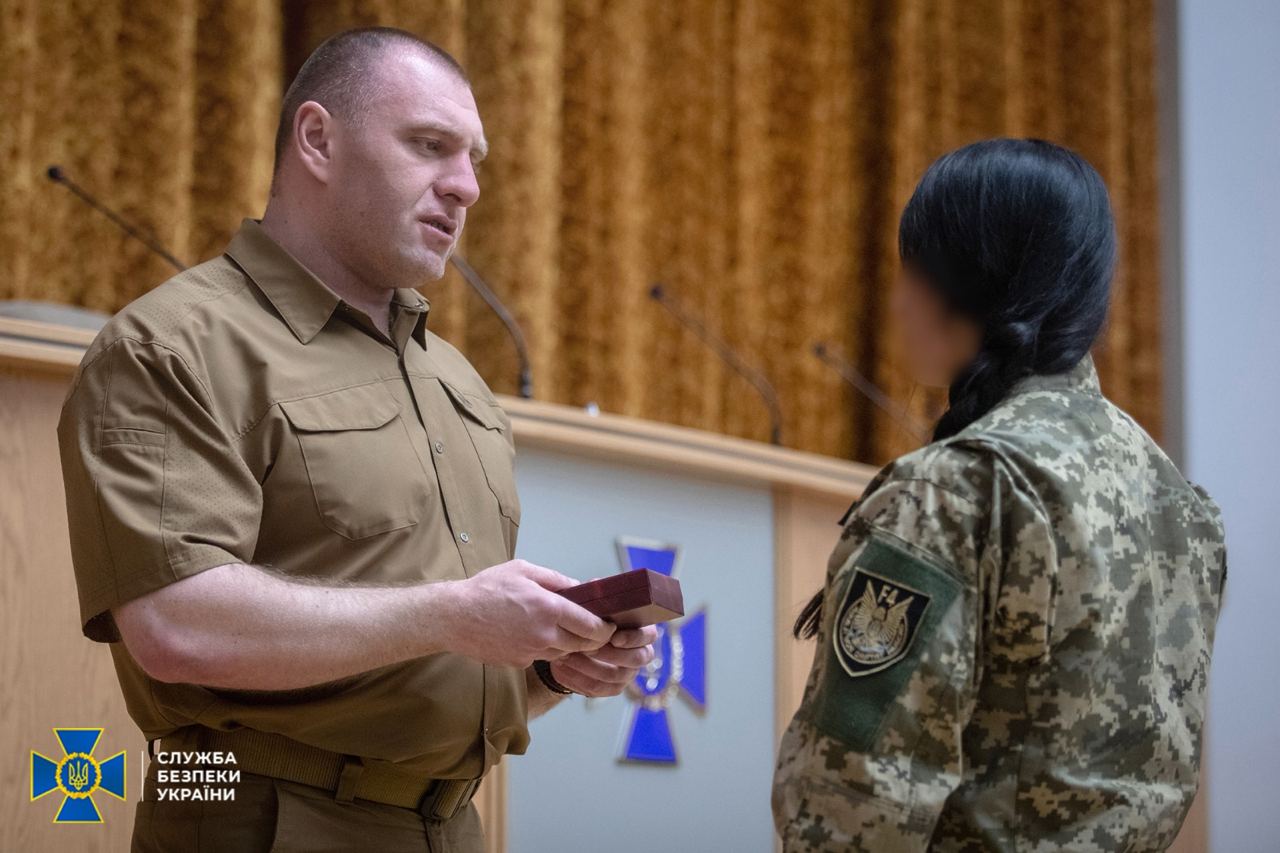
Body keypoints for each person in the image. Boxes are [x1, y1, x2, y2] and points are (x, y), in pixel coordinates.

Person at [57, 27, 656, 852]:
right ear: (317, 140)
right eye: (429, 146)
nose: (467, 187)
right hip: (262, 818)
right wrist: (452, 613)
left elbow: (431, 649)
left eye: (474, 158)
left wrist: (549, 669)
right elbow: (174, 624)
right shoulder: (173, 346)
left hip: (452, 824)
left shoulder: (456, 382)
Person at [772, 138, 1226, 851]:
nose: (896, 298)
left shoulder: (956, 488)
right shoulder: (1181, 505)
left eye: (912, 268)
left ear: (967, 283)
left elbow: (854, 799)